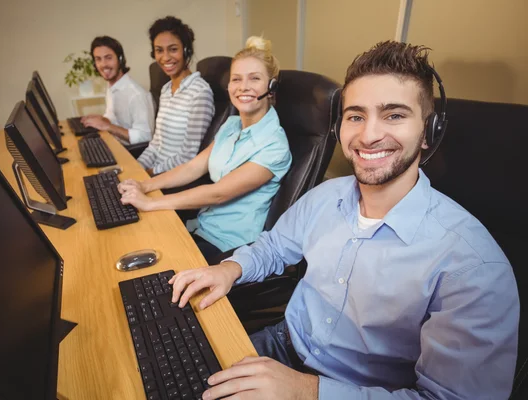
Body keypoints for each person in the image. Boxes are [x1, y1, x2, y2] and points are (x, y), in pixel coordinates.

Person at [168, 41, 520, 399]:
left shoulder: (474, 267)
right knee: (169, 376)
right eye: (355, 116)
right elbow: (274, 246)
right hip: (282, 344)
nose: (368, 134)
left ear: (429, 132)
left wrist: (306, 390)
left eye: (394, 115)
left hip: (361, 390)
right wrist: (229, 269)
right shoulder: (325, 196)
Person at [119, 36, 292, 262]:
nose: (243, 87)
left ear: (271, 87)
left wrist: (150, 202)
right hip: (202, 227)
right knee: (132, 241)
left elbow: (218, 193)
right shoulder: (231, 125)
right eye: (236, 79)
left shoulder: (274, 145)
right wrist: (144, 184)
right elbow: (193, 167)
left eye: (255, 79)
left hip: (230, 247)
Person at [137, 16, 215, 175]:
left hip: (173, 179)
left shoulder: (200, 92)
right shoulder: (166, 90)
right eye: (159, 50)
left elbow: (188, 156)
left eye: (173, 49)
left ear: (186, 50)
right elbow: (155, 145)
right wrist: (136, 168)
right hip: (154, 175)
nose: (165, 57)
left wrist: (151, 173)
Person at [81, 36, 154, 146]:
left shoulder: (136, 95)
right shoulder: (112, 86)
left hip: (132, 155)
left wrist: (107, 126)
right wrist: (102, 120)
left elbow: (145, 137)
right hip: (116, 145)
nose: (103, 64)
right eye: (98, 59)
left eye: (108, 58)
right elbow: (113, 118)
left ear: (120, 59)